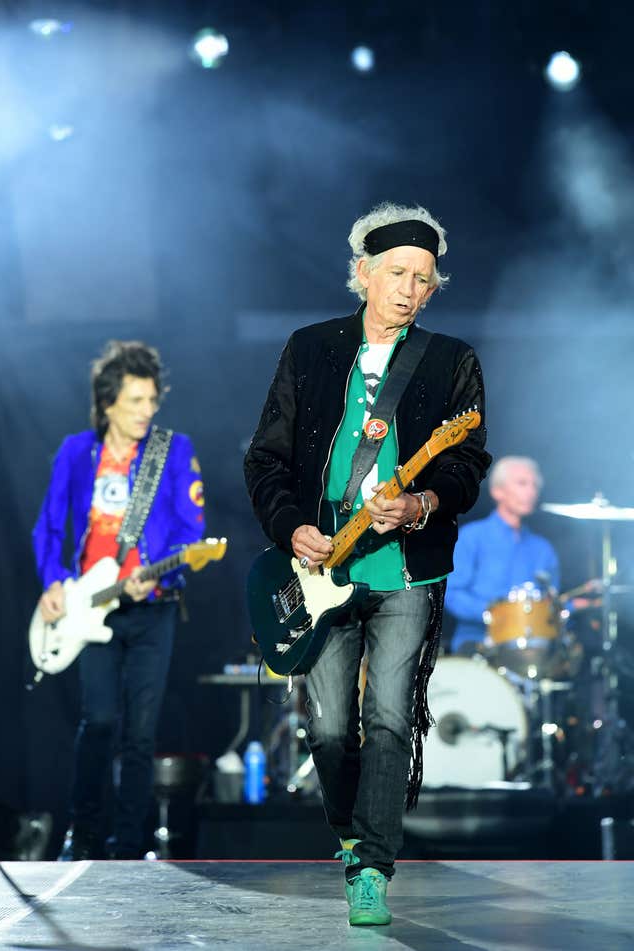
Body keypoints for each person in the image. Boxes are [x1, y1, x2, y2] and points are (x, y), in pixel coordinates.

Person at [244, 203, 491, 925]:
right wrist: (292, 528)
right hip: (321, 567)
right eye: (397, 273)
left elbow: (469, 464)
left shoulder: (451, 361)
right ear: (363, 275)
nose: (411, 288)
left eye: (424, 278)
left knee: (388, 715)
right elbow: (265, 458)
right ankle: (349, 833)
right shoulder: (309, 348)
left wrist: (419, 505)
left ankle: (373, 868)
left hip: (406, 570)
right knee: (326, 728)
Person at [33, 341, 205, 860]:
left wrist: (151, 581)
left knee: (141, 732)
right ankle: (81, 835)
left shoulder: (173, 452)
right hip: (93, 606)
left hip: (153, 609)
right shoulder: (75, 452)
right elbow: (49, 527)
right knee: (100, 720)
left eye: (151, 400)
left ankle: (128, 845)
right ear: (108, 402)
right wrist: (55, 581)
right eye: (134, 401)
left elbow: (192, 533)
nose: (146, 411)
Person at [445, 456, 559, 654]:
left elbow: (551, 604)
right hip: (477, 645)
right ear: (497, 491)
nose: (531, 491)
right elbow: (451, 594)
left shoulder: (543, 549)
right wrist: (496, 613)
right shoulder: (472, 537)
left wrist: (578, 604)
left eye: (535, 485)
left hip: (530, 650)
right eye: (522, 483)